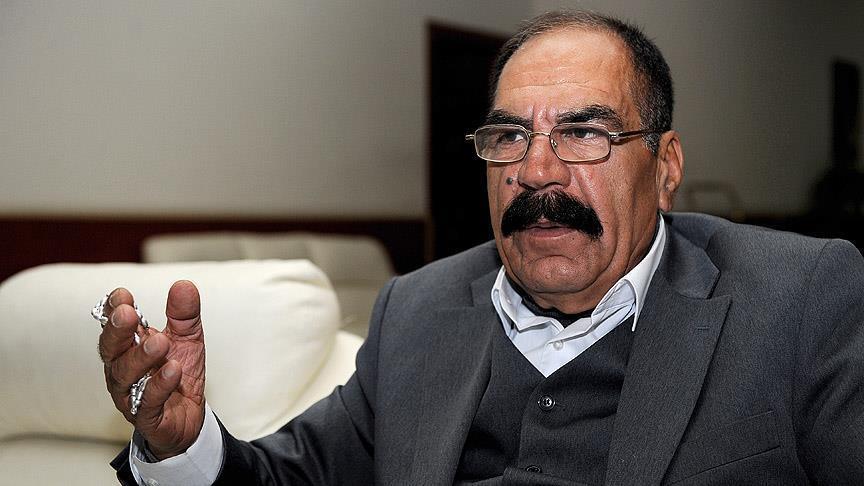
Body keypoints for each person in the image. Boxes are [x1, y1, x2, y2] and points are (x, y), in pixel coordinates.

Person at [99, 10, 864, 485]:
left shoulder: (798, 302)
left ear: (665, 168)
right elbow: (297, 477)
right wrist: (183, 444)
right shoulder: (418, 310)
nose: (536, 171)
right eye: (509, 137)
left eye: (583, 133)